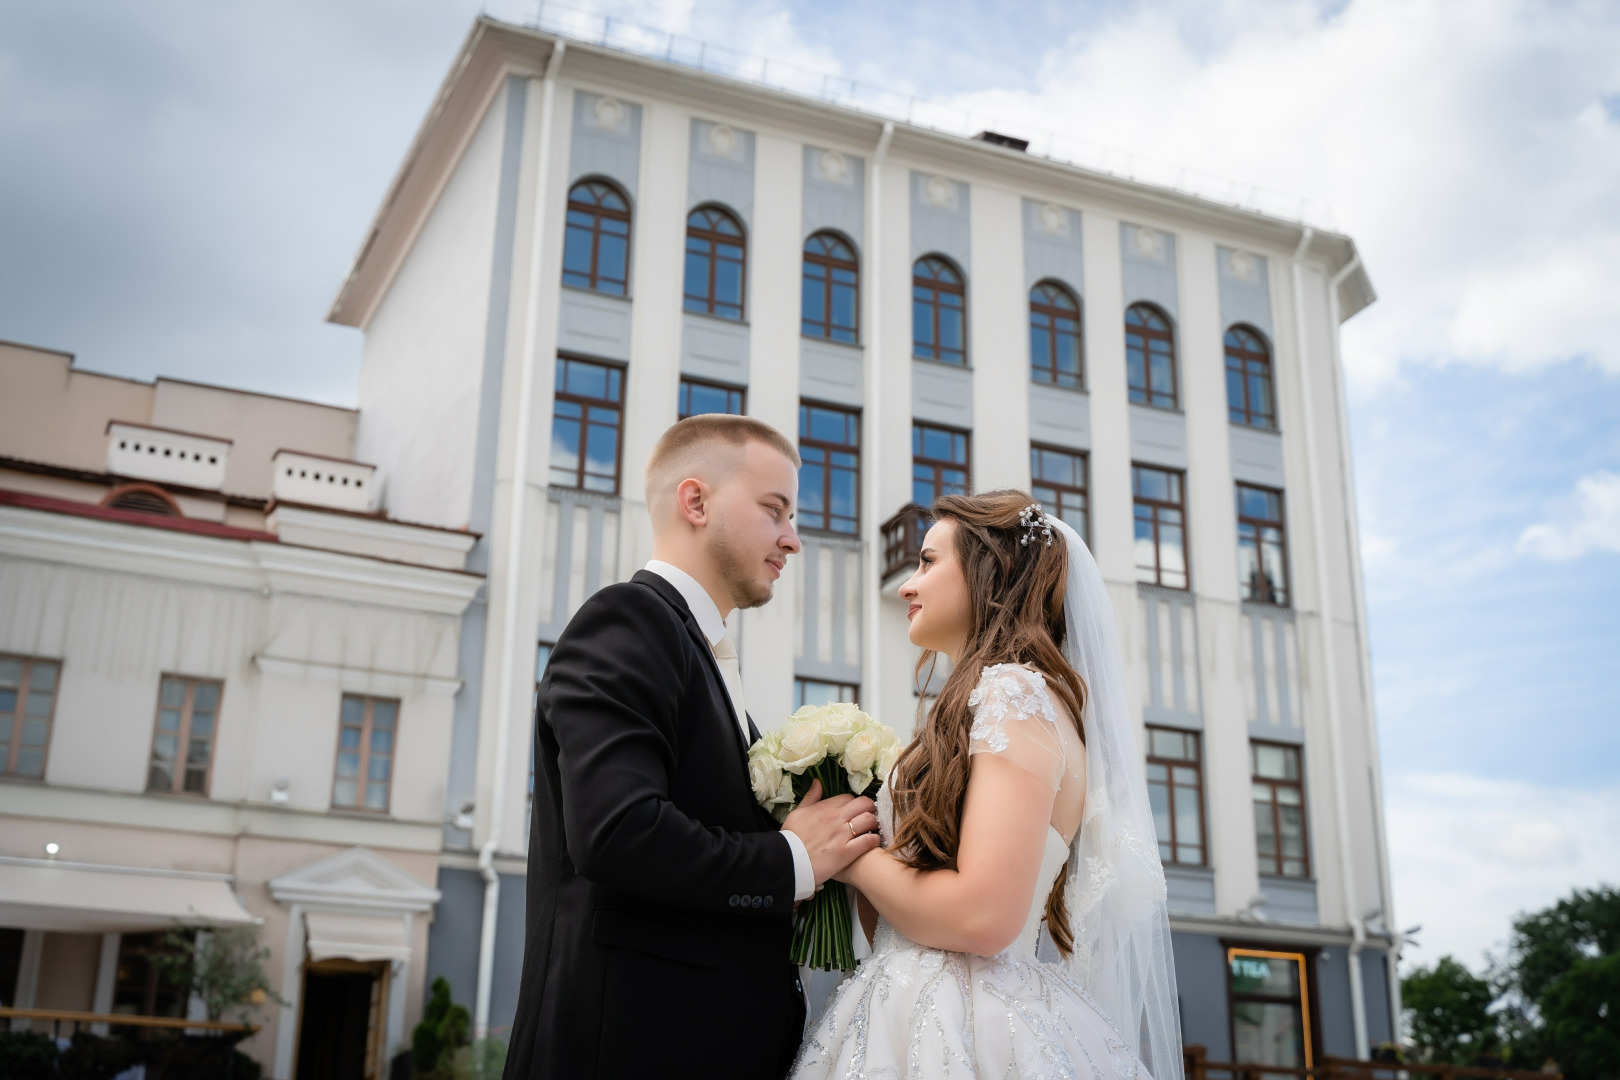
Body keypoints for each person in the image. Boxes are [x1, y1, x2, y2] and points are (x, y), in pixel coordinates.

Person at [504, 415, 882, 1080]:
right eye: (776, 511)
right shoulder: (628, 620)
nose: (792, 540)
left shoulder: (701, 654)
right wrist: (792, 859)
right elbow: (617, 831)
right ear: (696, 501)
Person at [791, 490, 1183, 1080]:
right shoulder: (984, 704)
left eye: (927, 562)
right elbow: (905, 918)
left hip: (970, 1025)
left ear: (987, 574)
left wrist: (846, 857)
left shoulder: (1014, 695)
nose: (907, 584)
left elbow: (982, 917)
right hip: (907, 1001)